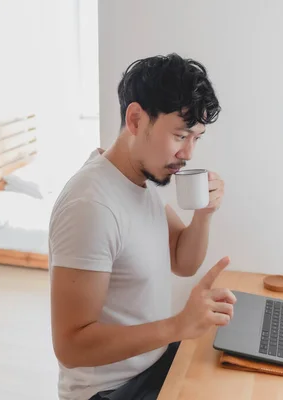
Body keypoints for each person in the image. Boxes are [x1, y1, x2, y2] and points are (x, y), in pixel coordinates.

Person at [48, 53, 237, 400]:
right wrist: (178, 325)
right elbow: (71, 346)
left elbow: (183, 260)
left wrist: (204, 213)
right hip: (110, 391)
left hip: (151, 367)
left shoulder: (138, 180)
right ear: (135, 119)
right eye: (181, 135)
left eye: (197, 138)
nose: (189, 153)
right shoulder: (91, 206)